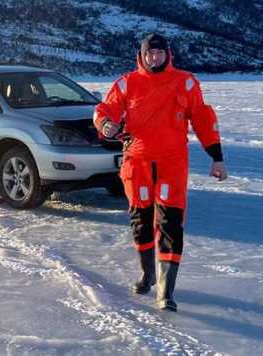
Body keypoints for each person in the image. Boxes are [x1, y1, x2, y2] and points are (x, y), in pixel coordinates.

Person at [94, 33, 228, 311]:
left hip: (172, 162)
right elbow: (104, 109)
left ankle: (166, 291)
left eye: (159, 53)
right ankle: (147, 274)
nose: (154, 58)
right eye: (149, 53)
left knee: (170, 222)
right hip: (137, 162)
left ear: (168, 54)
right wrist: (106, 124)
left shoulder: (185, 82)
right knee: (141, 220)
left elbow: (204, 119)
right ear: (141, 56)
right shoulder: (126, 83)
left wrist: (216, 157)